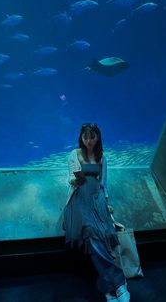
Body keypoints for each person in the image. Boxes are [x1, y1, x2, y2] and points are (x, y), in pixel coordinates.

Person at [62, 122, 130, 302]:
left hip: (97, 200)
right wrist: (75, 180)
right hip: (79, 200)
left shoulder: (102, 157)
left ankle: (107, 289)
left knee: (104, 235)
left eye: (92, 136)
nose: (89, 141)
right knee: (91, 234)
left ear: (98, 137)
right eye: (86, 137)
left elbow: (103, 184)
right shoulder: (74, 154)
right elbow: (69, 177)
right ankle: (119, 283)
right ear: (81, 137)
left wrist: (107, 205)